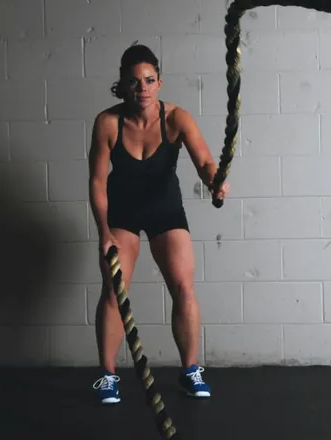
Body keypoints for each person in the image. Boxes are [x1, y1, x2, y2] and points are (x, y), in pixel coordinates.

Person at [87, 43, 229, 405]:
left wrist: (216, 180)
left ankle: (190, 371)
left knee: (184, 286)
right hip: (123, 214)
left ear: (160, 82)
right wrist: (104, 232)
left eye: (149, 80)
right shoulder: (108, 122)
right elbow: (98, 181)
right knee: (114, 290)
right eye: (134, 82)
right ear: (122, 85)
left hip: (165, 211)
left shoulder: (176, 118)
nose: (143, 88)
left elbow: (205, 163)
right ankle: (107, 376)